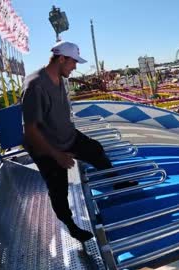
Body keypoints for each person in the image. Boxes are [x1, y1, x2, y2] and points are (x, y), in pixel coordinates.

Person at [21, 41, 119, 242]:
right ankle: (71, 226)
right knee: (58, 188)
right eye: (73, 62)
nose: (75, 67)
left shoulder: (60, 78)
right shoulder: (35, 85)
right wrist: (58, 156)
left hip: (67, 137)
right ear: (62, 59)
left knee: (95, 149)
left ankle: (118, 182)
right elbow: (30, 131)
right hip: (46, 148)